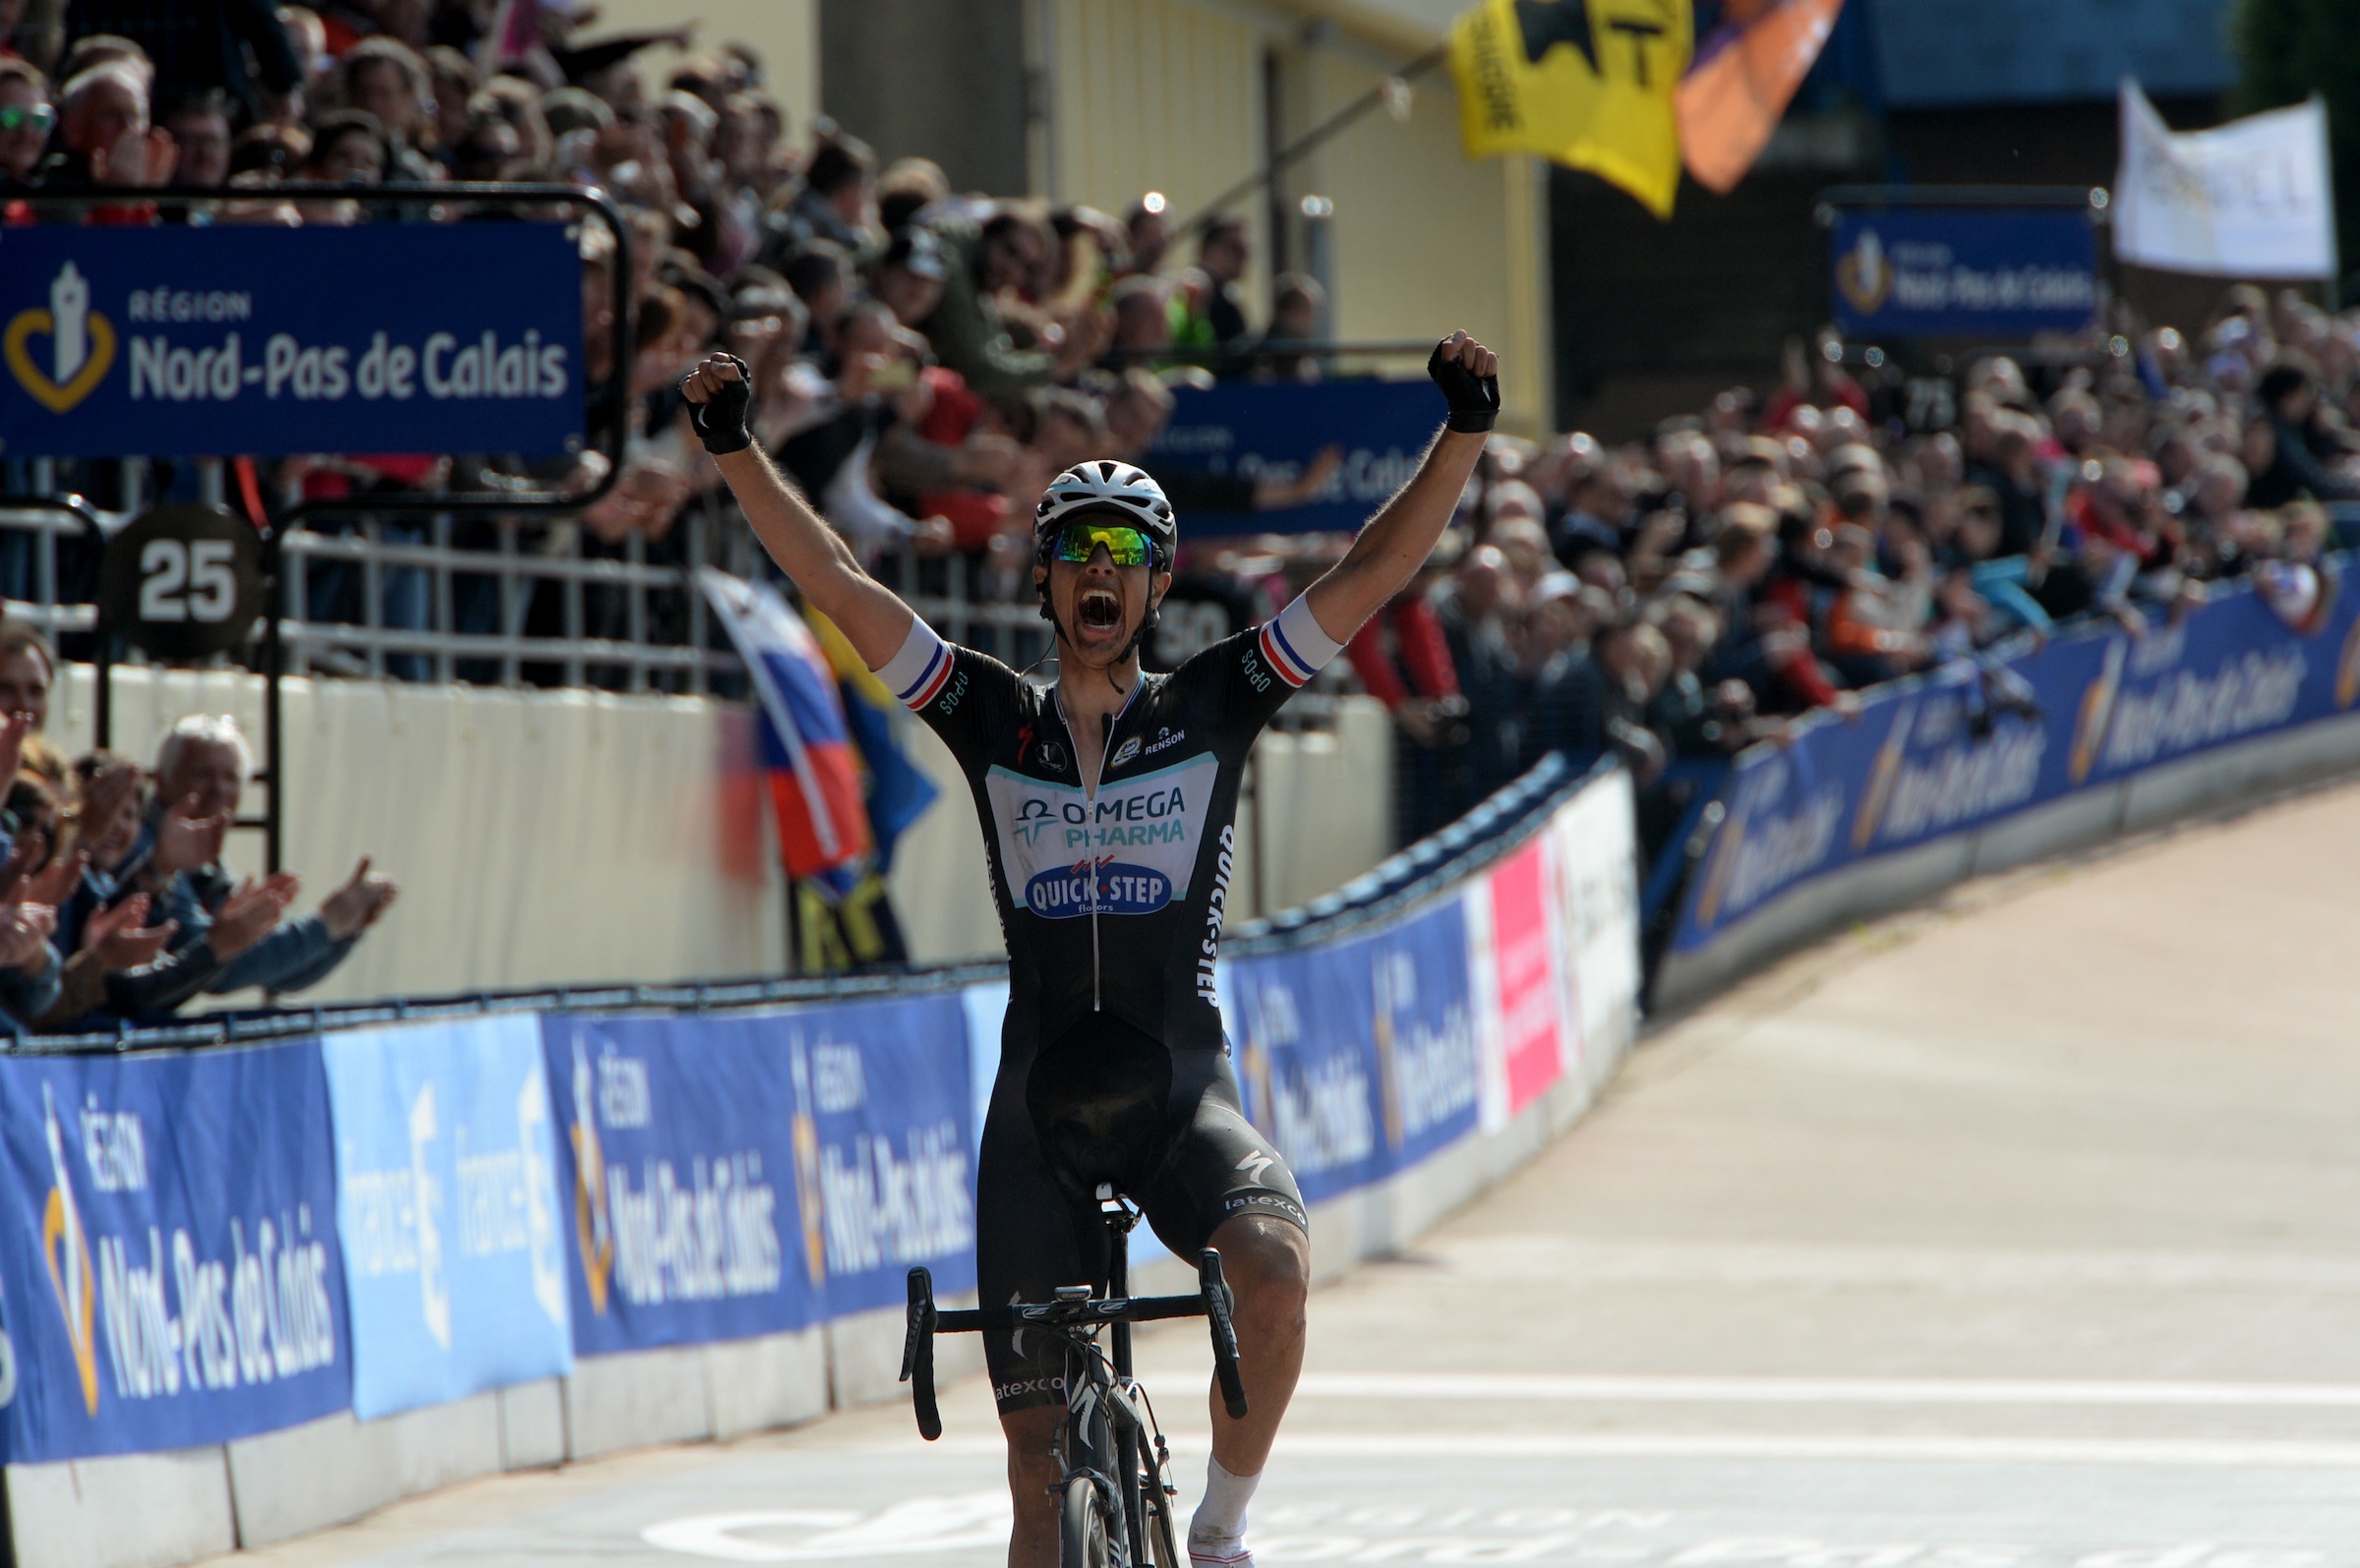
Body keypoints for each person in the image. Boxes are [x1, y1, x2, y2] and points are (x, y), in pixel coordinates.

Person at [680, 329, 1502, 1568]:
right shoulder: (986, 713)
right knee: (1031, 1476)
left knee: (1272, 1264)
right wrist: (738, 449)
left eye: (1124, 555)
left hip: (1182, 1090)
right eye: (1076, 553)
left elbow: (1373, 570)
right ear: (1047, 582)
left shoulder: (1216, 700)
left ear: (1159, 584)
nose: (1099, 573)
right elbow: (841, 579)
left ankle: (1220, 1531)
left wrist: (1464, 436)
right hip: (1040, 1108)